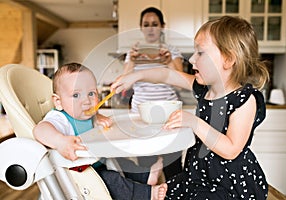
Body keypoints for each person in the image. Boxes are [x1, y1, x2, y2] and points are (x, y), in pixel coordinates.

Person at [112, 16, 269, 199]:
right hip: (198, 176)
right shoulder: (204, 90)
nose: (192, 59)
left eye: (200, 53)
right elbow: (167, 75)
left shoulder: (244, 100)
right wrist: (135, 77)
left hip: (228, 186)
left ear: (228, 59)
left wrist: (194, 123)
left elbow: (231, 149)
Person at [33, 62, 167, 200]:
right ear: (58, 102)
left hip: (94, 166)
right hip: (75, 176)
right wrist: (60, 141)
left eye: (91, 93)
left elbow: (90, 120)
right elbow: (40, 130)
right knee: (111, 180)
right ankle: (147, 194)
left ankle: (145, 174)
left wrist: (98, 117)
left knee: (122, 162)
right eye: (76, 95)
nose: (86, 101)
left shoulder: (86, 115)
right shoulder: (59, 118)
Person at [120, 6, 184, 181]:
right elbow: (123, 84)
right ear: (141, 27)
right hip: (141, 117)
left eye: (154, 24)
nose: (150, 28)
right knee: (146, 169)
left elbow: (181, 84)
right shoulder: (133, 52)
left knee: (173, 169)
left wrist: (169, 61)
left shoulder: (172, 50)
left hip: (168, 117)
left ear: (162, 26)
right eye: (146, 24)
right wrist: (131, 62)